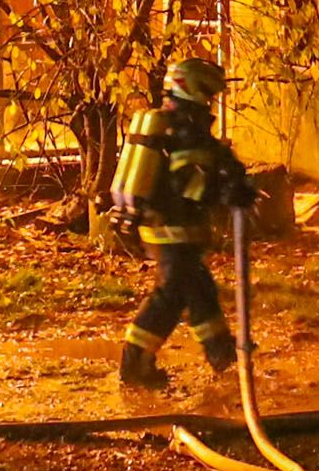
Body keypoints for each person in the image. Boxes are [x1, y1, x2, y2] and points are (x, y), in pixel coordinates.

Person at [106, 54, 258, 388]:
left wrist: (231, 175)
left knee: (200, 291)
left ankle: (222, 355)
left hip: (174, 230)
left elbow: (213, 161)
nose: (212, 101)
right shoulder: (185, 129)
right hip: (171, 230)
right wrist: (225, 191)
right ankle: (133, 365)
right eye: (209, 93)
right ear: (194, 90)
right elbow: (187, 183)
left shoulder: (183, 124)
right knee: (170, 297)